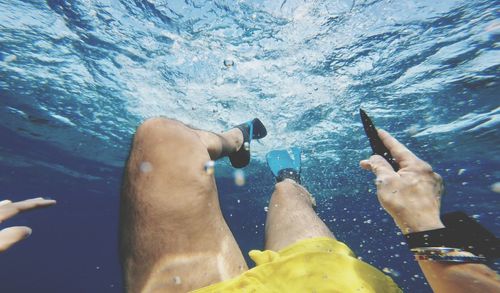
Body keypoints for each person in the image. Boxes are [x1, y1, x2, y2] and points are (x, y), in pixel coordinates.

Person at [119, 117, 500, 292]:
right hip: (327, 285)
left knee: (159, 138)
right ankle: (270, 164)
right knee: (286, 194)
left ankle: (240, 137)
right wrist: (422, 222)